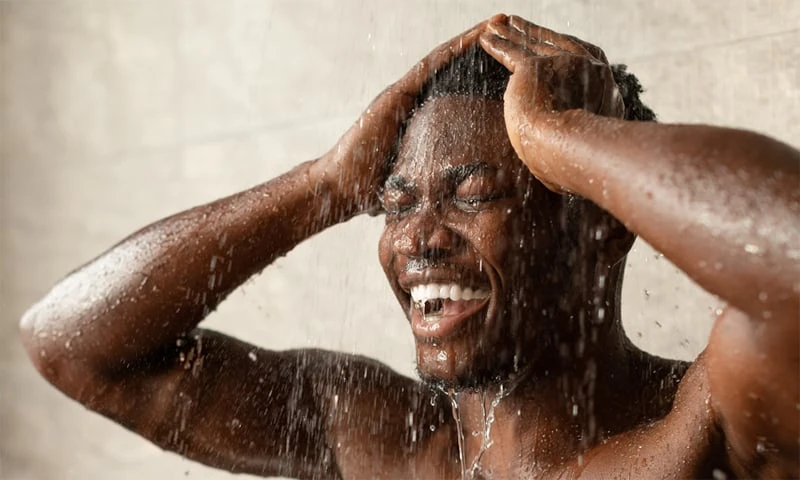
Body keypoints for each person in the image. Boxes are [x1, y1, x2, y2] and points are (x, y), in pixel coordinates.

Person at [19, 14, 798, 480]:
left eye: (472, 195)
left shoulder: (707, 432)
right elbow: (72, 347)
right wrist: (324, 185)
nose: (418, 237)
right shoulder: (383, 443)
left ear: (602, 227)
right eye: (395, 204)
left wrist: (561, 135)